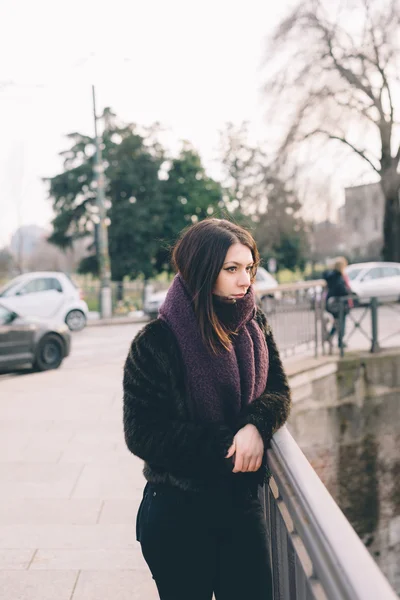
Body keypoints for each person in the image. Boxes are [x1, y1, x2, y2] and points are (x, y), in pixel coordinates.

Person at [123, 218, 291, 600]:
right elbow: (143, 434)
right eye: (231, 269)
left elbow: (278, 389)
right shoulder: (156, 342)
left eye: (249, 268)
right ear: (201, 271)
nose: (245, 280)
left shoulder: (254, 325)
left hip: (238, 507)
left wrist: (255, 425)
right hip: (177, 514)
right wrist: (228, 446)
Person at [323, 256, 353, 347]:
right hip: (339, 303)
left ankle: (330, 337)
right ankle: (340, 342)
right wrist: (349, 292)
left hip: (332, 303)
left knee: (337, 323)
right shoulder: (338, 277)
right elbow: (341, 290)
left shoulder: (331, 276)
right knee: (341, 323)